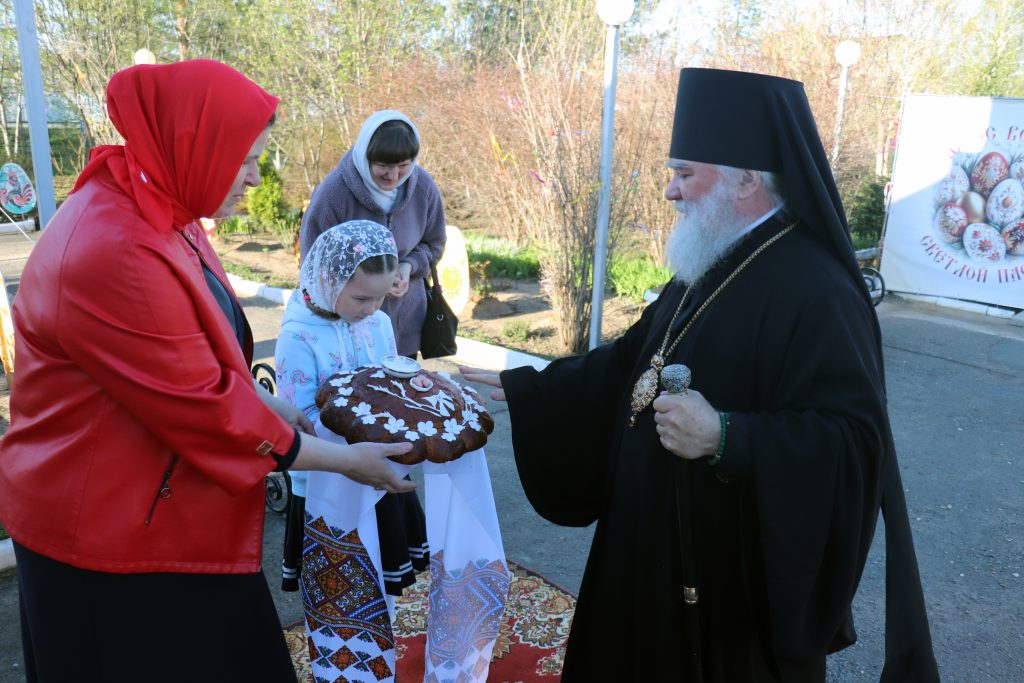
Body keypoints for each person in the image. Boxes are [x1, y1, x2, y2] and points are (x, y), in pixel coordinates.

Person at [461, 68, 939, 681]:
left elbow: (852, 444)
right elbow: (637, 356)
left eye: (684, 174)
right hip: (643, 546)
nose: (671, 191)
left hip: (726, 589)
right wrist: (535, 386)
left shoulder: (819, 289)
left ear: (746, 179)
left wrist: (726, 436)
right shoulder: (714, 252)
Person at [0, 60, 413, 682]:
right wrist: (347, 461)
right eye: (246, 160)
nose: (256, 178)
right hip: (108, 535)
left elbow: (196, 351)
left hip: (151, 504)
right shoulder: (117, 248)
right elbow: (209, 410)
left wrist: (270, 403)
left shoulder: (160, 203)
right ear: (195, 147)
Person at [276, 220, 508, 682]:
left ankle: (379, 640)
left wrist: (422, 404)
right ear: (327, 280)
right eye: (362, 298)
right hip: (328, 485)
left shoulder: (378, 323)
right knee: (347, 583)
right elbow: (300, 419)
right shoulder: (298, 336)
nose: (372, 309)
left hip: (381, 478)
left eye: (381, 298)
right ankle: (351, 660)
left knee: (382, 574)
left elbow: (388, 384)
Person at [299, 110, 446, 598]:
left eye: (404, 165)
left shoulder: (422, 188)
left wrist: (408, 267)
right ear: (365, 156)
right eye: (385, 165)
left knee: (391, 404)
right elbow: (313, 262)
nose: (394, 175)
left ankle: (386, 492)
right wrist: (347, 301)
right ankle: (354, 492)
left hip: (398, 324)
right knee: (351, 409)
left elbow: (434, 243)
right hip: (340, 331)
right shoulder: (334, 194)